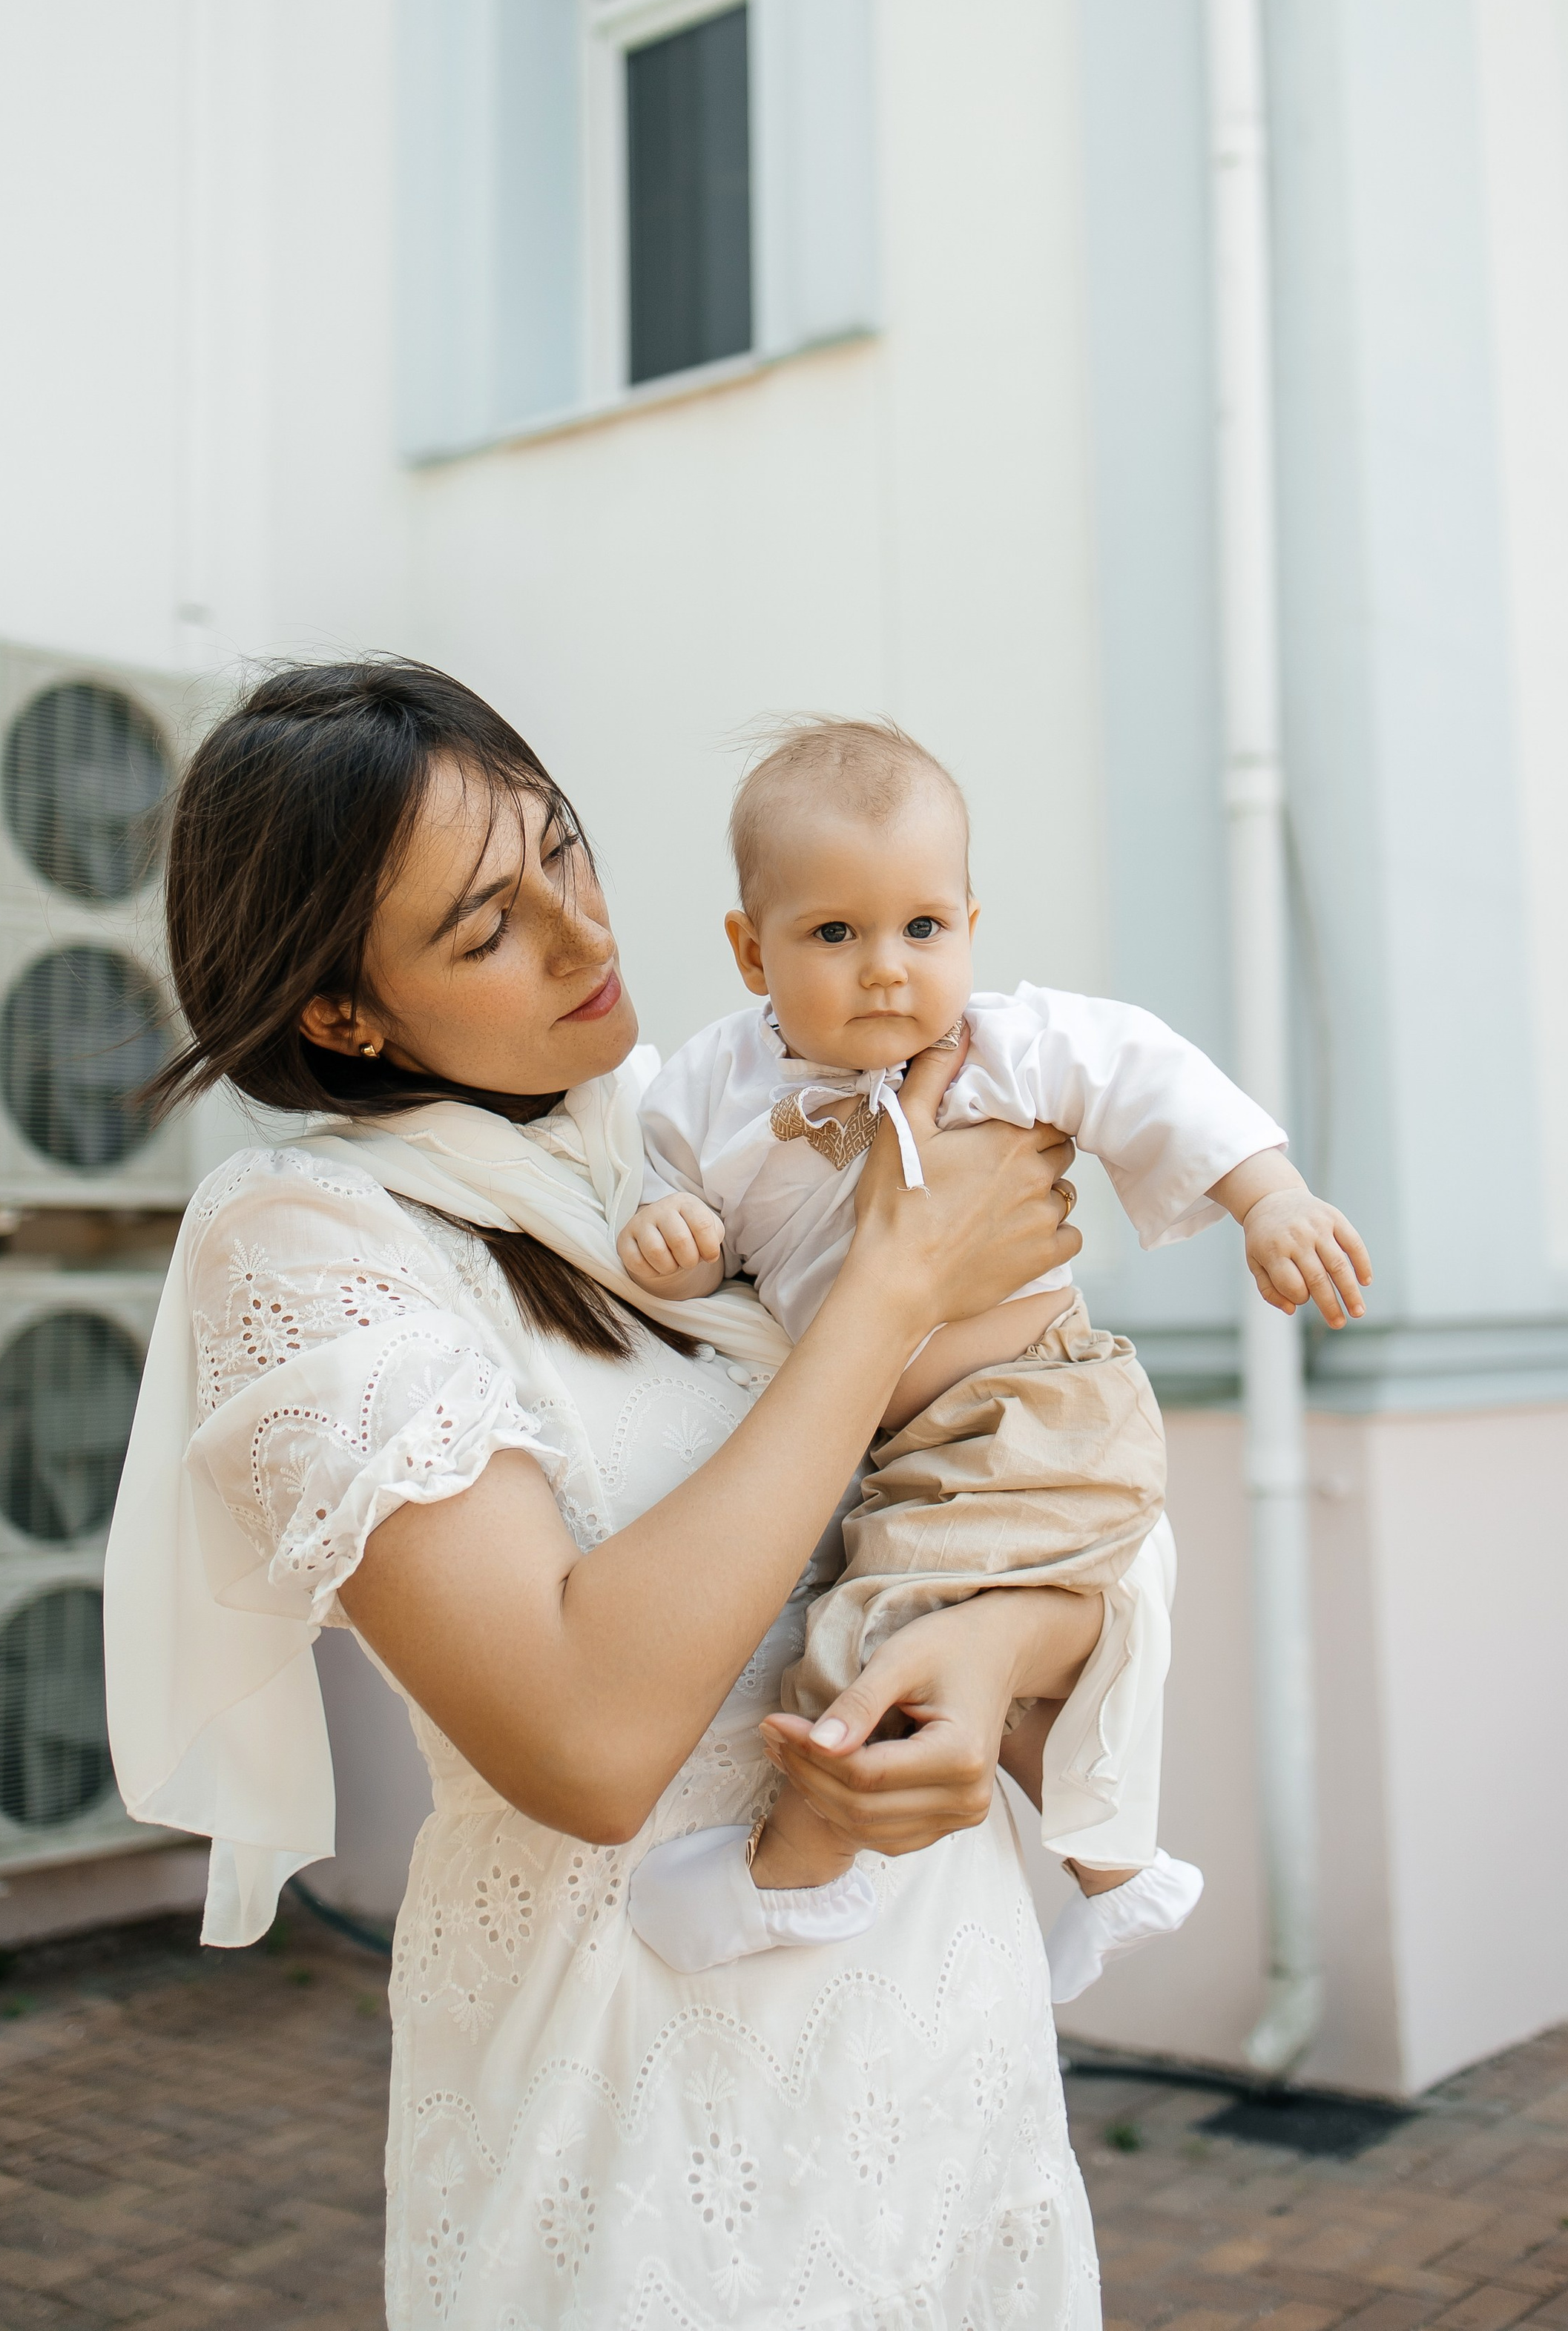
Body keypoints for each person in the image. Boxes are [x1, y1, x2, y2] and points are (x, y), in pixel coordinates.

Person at [105, 660, 1140, 2330]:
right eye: (487, 928)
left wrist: (989, 1650)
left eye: (564, 852)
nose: (585, 933)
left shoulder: (702, 1132)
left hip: (931, 2016)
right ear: (342, 1014)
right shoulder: (309, 1237)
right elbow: (584, 1743)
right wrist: (887, 1290)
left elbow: (1017, 1496)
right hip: (636, 2065)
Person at [615, 718, 1370, 2005]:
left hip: (1038, 1405)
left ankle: (797, 1870)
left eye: (923, 927)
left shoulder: (1008, 1047)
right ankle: (1115, 1872)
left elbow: (1154, 1080)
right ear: (751, 951)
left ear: (969, 925)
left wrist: (1273, 1198)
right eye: (833, 933)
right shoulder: (705, 1091)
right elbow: (679, 1230)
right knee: (964, 1659)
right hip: (899, 1445)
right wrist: (671, 1241)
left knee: (877, 1630)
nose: (886, 969)